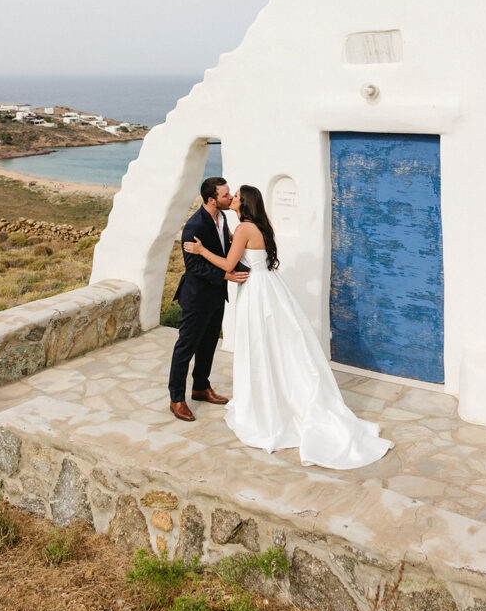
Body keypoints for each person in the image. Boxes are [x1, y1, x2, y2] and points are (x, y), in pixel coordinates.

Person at [184, 185, 393, 469]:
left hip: (256, 292)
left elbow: (228, 264)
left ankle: (266, 406)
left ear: (244, 203)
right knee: (274, 346)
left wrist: (201, 250)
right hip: (269, 287)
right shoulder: (255, 226)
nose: (231, 198)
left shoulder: (245, 228)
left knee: (260, 346)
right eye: (228, 195)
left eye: (235, 197)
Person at [168, 177, 250, 421]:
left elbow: (223, 246)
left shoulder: (222, 217)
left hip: (216, 294)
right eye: (226, 196)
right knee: (185, 348)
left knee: (209, 344)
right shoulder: (193, 227)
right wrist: (226, 273)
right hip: (196, 297)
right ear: (212, 199)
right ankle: (176, 399)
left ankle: (201, 387)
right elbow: (193, 266)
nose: (230, 198)